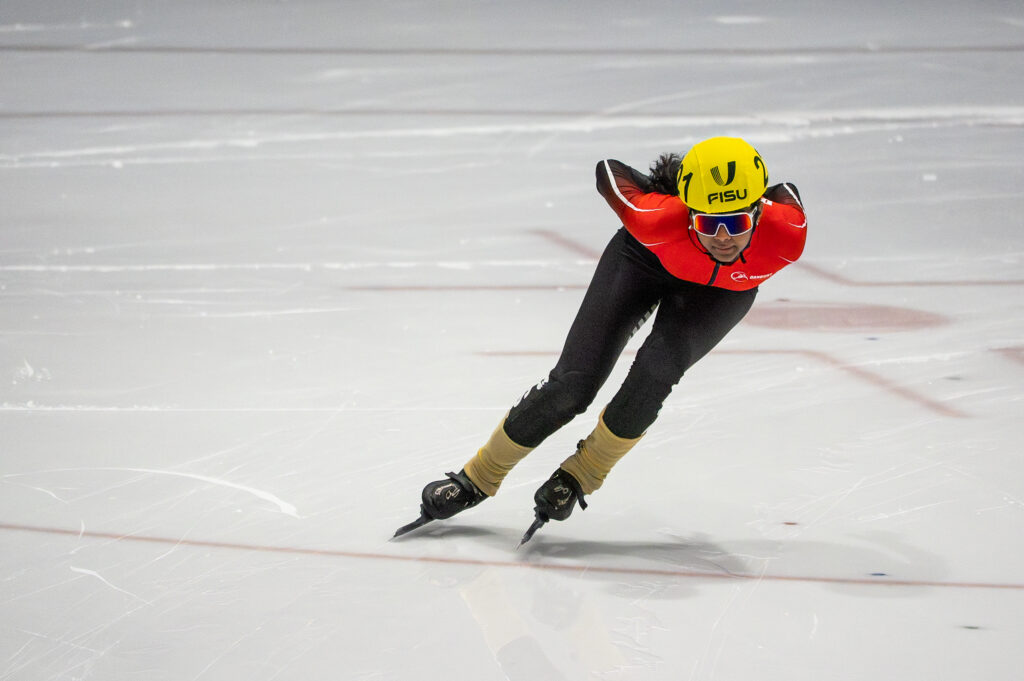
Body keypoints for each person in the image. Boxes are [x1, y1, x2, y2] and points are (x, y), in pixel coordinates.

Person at [394, 136, 807, 544]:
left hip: (719, 293)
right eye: (707, 223)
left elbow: (784, 191)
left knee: (656, 372)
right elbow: (609, 171)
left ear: (758, 212)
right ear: (687, 213)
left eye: (736, 223)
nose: (723, 237)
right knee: (573, 385)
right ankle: (477, 478)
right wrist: (666, 185)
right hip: (644, 259)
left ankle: (582, 474)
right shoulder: (654, 217)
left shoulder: (788, 233)